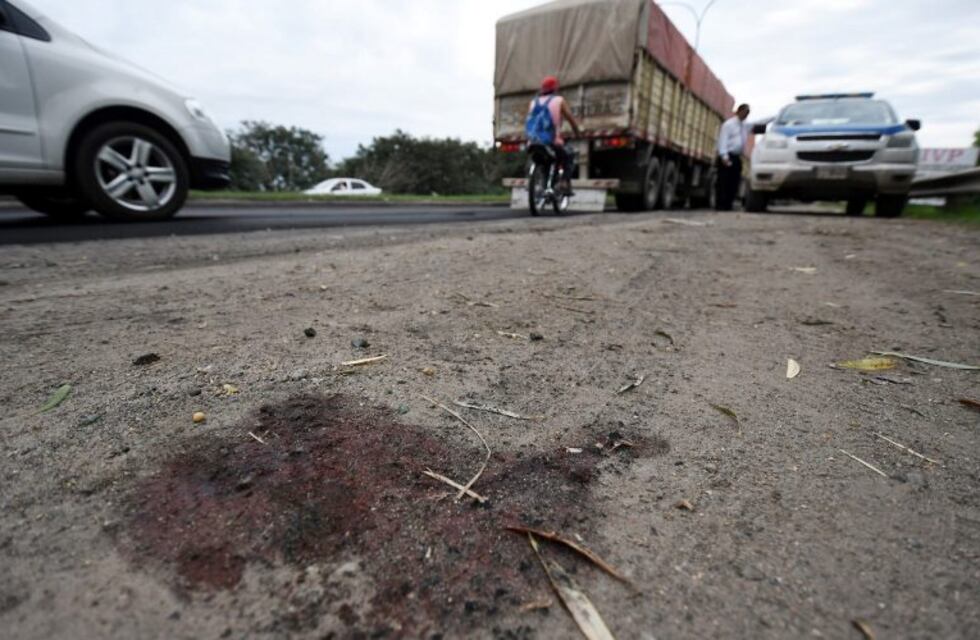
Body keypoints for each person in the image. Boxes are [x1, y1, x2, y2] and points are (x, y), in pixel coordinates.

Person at [527, 75, 581, 191]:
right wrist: (577, 133)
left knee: (544, 161)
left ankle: (542, 183)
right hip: (551, 141)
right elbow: (570, 119)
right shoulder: (559, 100)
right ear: (555, 88)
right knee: (569, 156)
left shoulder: (533, 102)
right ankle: (564, 182)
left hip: (533, 142)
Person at [715, 103, 751, 211]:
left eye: (748, 113)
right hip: (727, 156)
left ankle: (728, 204)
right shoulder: (729, 124)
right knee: (723, 182)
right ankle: (720, 205)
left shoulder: (744, 125)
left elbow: (760, 122)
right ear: (739, 111)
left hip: (736, 157)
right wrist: (724, 156)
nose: (746, 115)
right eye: (745, 112)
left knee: (734, 182)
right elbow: (723, 140)